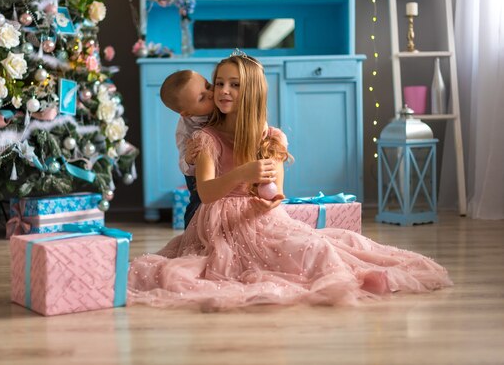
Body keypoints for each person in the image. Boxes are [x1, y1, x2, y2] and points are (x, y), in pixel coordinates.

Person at [129, 52, 452, 310]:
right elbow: (207, 192)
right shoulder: (204, 137)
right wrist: (242, 174)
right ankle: (334, 280)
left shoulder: (271, 136)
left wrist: (269, 192)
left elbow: (277, 194)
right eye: (219, 83)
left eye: (234, 84)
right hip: (220, 219)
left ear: (252, 91)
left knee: (315, 244)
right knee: (236, 262)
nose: (223, 91)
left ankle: (359, 277)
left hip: (261, 217)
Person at [160, 70, 214, 228]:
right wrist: (190, 159)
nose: (211, 94)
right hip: (195, 171)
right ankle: (191, 236)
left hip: (220, 162)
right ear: (187, 113)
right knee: (199, 202)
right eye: (202, 98)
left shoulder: (222, 102)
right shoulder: (185, 129)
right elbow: (183, 164)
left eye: (208, 86)